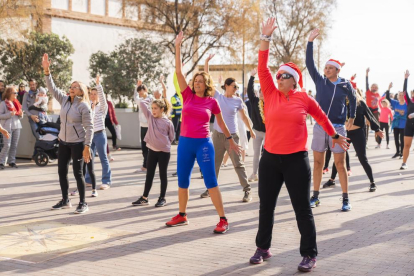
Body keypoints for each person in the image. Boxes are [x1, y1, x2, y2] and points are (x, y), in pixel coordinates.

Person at [249, 18, 348, 272]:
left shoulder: (304, 98)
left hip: (295, 160)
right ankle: (262, 247)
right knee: (266, 206)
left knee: (302, 209)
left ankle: (309, 254)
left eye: (284, 76)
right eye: (278, 75)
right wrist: (266, 37)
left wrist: (335, 136)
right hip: (270, 159)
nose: (278, 78)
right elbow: (262, 66)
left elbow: (322, 118)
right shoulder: (270, 92)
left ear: (293, 81)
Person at [165, 31, 240, 234]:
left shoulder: (212, 101)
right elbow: (179, 72)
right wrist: (178, 46)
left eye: (200, 81)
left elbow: (222, 124)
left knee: (210, 181)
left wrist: (231, 141)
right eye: (195, 80)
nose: (196, 83)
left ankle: (223, 219)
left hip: (203, 144)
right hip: (185, 144)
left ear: (206, 84)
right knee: (183, 180)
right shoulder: (187, 95)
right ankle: (182, 215)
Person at [307, 28, 357, 212]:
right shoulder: (320, 81)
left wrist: (351, 116)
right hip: (320, 128)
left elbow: (353, 100)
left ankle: (345, 199)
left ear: (337, 70)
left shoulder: (345, 84)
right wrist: (310, 42)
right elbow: (309, 63)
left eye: (330, 68)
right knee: (318, 164)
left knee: (340, 164)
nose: (326, 70)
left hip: (338, 128)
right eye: (325, 67)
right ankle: (315, 196)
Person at [199, 55, 255, 202]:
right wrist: (206, 63)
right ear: (227, 86)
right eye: (234, 86)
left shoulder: (238, 100)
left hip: (233, 137)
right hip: (217, 135)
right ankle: (210, 189)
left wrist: (251, 130)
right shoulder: (218, 96)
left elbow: (243, 117)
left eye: (237, 87)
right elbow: (208, 80)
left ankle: (247, 190)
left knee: (238, 164)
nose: (236, 89)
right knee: (214, 163)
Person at [42, 53, 93, 214]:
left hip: (78, 143)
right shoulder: (64, 100)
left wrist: (87, 146)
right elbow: (52, 88)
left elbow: (89, 127)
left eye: (75, 86)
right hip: (63, 142)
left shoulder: (84, 106)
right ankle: (65, 200)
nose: (71, 88)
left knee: (78, 173)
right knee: (61, 172)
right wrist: (46, 71)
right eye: (71, 86)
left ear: (81, 90)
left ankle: (83, 203)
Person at [323, 89, 384, 192]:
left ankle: (372, 182)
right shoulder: (341, 103)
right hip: (344, 133)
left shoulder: (360, 103)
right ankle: (332, 179)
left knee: (362, 158)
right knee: (339, 157)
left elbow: (369, 116)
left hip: (358, 133)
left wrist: (377, 129)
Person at [132, 97, 174, 207]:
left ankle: (162, 198)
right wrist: (151, 98)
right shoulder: (150, 118)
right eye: (152, 108)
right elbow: (141, 102)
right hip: (152, 151)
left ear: (162, 109)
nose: (153, 110)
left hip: (164, 153)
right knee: (149, 175)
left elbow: (172, 137)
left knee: (162, 175)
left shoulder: (168, 122)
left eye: (155, 108)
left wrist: (163, 144)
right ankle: (144, 198)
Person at [247, 68, 266, 182]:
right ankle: (254, 174)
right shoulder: (254, 101)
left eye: (264, 91)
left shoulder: (270, 103)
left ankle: (267, 173)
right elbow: (250, 90)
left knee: (268, 154)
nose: (262, 93)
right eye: (260, 92)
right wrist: (252, 77)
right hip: (256, 132)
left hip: (268, 132)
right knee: (256, 154)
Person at [0, 86, 23, 169]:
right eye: (15, 93)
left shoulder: (16, 103)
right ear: (9, 93)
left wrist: (21, 115)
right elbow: (0, 115)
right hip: (7, 128)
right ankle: (1, 162)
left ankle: (12, 161)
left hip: (17, 126)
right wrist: (9, 114)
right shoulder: (3, 103)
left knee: (14, 145)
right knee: (7, 145)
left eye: (16, 93)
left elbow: (18, 116)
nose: (16, 94)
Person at [133, 80, 154, 172]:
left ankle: (149, 165)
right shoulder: (140, 100)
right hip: (142, 126)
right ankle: (145, 165)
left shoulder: (151, 99)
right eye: (139, 92)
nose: (140, 93)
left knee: (151, 147)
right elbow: (135, 97)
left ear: (146, 90)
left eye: (142, 91)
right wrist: (136, 87)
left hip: (151, 126)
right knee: (144, 147)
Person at [385, 83, 406, 159]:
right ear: (397, 96)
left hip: (403, 124)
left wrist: (399, 111)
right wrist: (388, 88)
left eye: (402, 95)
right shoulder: (395, 103)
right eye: (399, 95)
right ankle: (397, 152)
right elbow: (387, 98)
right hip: (396, 123)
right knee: (396, 138)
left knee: (402, 139)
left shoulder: (406, 104)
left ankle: (403, 153)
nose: (401, 96)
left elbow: (404, 113)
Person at [400, 70, 414, 169]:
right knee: (407, 145)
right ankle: (404, 163)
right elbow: (404, 91)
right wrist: (406, 79)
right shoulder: (409, 101)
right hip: (409, 125)